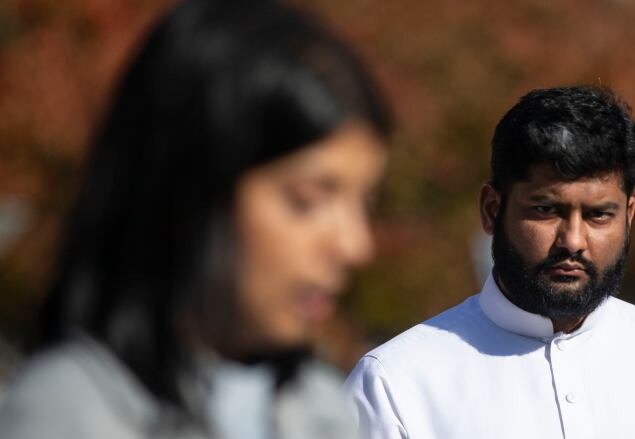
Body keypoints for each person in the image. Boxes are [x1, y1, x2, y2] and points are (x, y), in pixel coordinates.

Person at [0, 0, 390, 438]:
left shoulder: (322, 412)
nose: (355, 245)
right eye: (307, 200)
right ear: (191, 190)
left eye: (365, 203)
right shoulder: (70, 415)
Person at [344, 85, 635, 438]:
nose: (573, 241)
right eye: (546, 211)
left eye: (599, 215)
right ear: (493, 210)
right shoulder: (396, 384)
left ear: (629, 217)